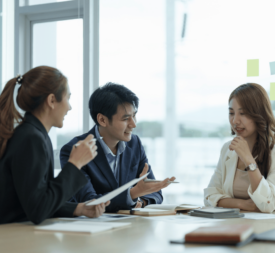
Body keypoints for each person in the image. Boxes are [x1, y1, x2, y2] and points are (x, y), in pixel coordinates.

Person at [0, 66, 110, 225]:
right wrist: (74, 164)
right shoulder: (31, 138)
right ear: (52, 100)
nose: (69, 107)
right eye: (68, 98)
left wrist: (79, 209)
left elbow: (39, 199)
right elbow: (38, 210)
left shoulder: (35, 134)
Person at [60, 83, 175, 212]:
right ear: (102, 120)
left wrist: (141, 202)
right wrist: (132, 194)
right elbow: (90, 202)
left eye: (134, 116)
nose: (133, 124)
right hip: (91, 228)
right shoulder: (75, 150)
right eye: (126, 118)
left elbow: (154, 193)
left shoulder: (134, 143)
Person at [204, 83, 275, 212]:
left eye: (243, 113)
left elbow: (269, 204)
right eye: (231, 113)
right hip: (234, 225)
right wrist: (243, 204)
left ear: (259, 114)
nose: (235, 121)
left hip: (269, 227)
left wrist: (248, 160)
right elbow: (209, 196)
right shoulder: (228, 149)